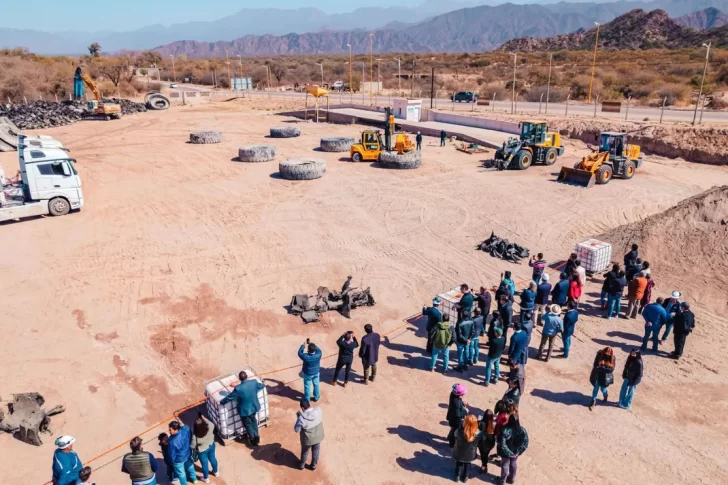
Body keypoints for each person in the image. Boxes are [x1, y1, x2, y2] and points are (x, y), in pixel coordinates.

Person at [220, 370, 265, 447]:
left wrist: (221, 402)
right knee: (253, 420)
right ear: (247, 376)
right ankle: (257, 437)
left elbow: (229, 397)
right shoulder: (253, 382)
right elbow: (261, 385)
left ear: (239, 379)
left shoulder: (238, 389)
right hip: (254, 407)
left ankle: (253, 440)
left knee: (248, 425)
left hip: (245, 410)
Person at [294, 398, 325, 471]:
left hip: (308, 440)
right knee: (316, 451)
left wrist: (298, 418)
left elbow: (296, 430)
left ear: (302, 408)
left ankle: (302, 466)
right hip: (318, 436)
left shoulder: (301, 418)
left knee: (305, 452)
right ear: (309, 404)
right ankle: (313, 466)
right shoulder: (318, 410)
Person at [498, 415, 529, 485]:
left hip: (506, 453)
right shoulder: (522, 430)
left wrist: (509, 453)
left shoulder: (505, 430)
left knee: (505, 465)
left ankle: (502, 481)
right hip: (515, 452)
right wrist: (518, 452)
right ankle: (512, 479)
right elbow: (525, 443)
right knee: (513, 464)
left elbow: (503, 445)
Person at [452, 414, 483, 483]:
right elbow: (481, 437)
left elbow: (455, 434)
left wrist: (461, 426)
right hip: (470, 454)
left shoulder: (459, 431)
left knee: (459, 464)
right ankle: (465, 477)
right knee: (467, 464)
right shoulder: (478, 434)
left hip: (459, 452)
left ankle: (457, 476)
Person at [191, 415, 219, 483]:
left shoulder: (195, 436)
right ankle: (216, 472)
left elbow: (192, 446)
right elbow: (210, 423)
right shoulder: (210, 426)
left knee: (204, 464)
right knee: (213, 458)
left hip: (202, 451)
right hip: (211, 445)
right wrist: (203, 418)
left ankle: (206, 478)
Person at [478, 410, 497, 475]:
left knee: (483, 455)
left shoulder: (481, 423)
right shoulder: (494, 424)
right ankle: (484, 466)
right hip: (491, 442)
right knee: (486, 454)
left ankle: (484, 466)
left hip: (482, 443)